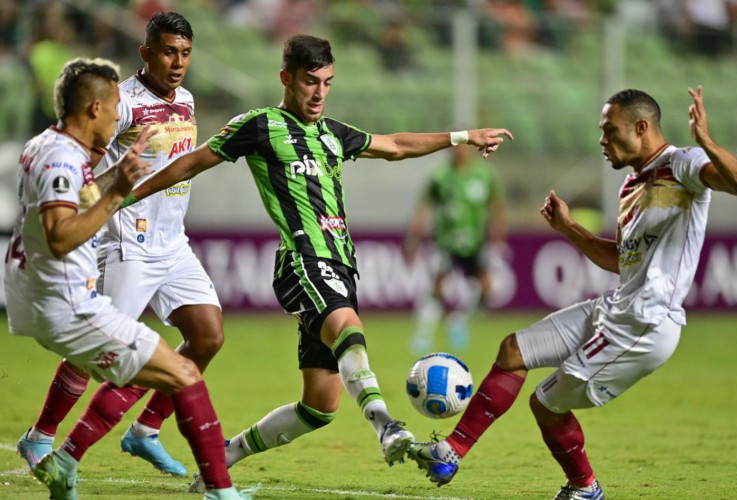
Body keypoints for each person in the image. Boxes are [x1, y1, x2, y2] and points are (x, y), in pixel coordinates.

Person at [116, 34, 513, 490]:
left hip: (342, 264)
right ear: (286, 78)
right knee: (348, 328)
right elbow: (190, 164)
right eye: (310, 82)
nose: (319, 93)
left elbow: (396, 145)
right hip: (302, 261)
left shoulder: (332, 134)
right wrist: (123, 195)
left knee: (319, 408)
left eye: (327, 82)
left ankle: (227, 455)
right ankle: (386, 425)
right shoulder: (259, 125)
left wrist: (462, 136)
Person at [407, 87, 737, 499]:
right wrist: (568, 228)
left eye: (609, 131)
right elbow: (620, 260)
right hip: (616, 307)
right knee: (514, 350)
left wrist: (707, 142)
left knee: (545, 404)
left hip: (646, 323)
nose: (602, 141)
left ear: (641, 127)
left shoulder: (684, 165)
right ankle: (449, 451)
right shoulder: (630, 188)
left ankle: (584, 488)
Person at [3, 57, 251, 500]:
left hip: (81, 279)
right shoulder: (65, 157)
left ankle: (85, 453)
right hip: (77, 292)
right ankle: (219, 491)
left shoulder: (44, 144)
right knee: (181, 375)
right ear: (96, 108)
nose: (120, 116)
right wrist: (119, 191)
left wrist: (119, 176)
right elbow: (62, 235)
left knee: (201, 340)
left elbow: (74, 198)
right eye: (114, 109)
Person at [404, 141, 507, 354]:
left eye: (464, 147)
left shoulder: (484, 174)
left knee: (487, 290)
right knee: (438, 288)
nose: (460, 150)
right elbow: (424, 207)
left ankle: (458, 321)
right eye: (456, 146)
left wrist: (498, 235)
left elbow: (497, 206)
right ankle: (423, 335)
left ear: (470, 149)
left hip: (475, 242)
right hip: (445, 242)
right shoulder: (441, 175)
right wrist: (413, 237)